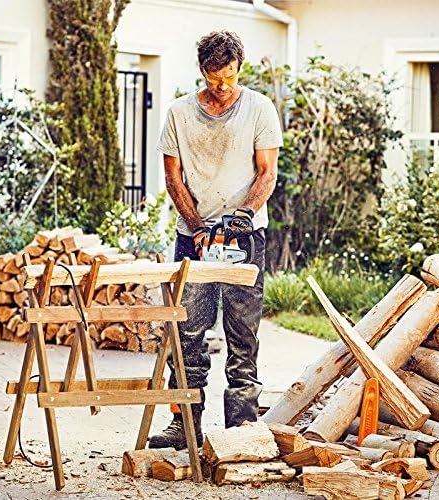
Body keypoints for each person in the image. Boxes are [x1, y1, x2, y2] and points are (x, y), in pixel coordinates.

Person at [149, 30, 282, 450]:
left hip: (245, 237)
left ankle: (242, 427)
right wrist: (198, 227)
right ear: (201, 70)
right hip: (194, 239)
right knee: (188, 332)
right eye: (211, 78)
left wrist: (243, 214)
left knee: (243, 332)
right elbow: (173, 179)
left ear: (238, 68)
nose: (220, 87)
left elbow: (267, 173)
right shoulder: (178, 113)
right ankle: (183, 422)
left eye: (226, 77)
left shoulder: (259, 108)